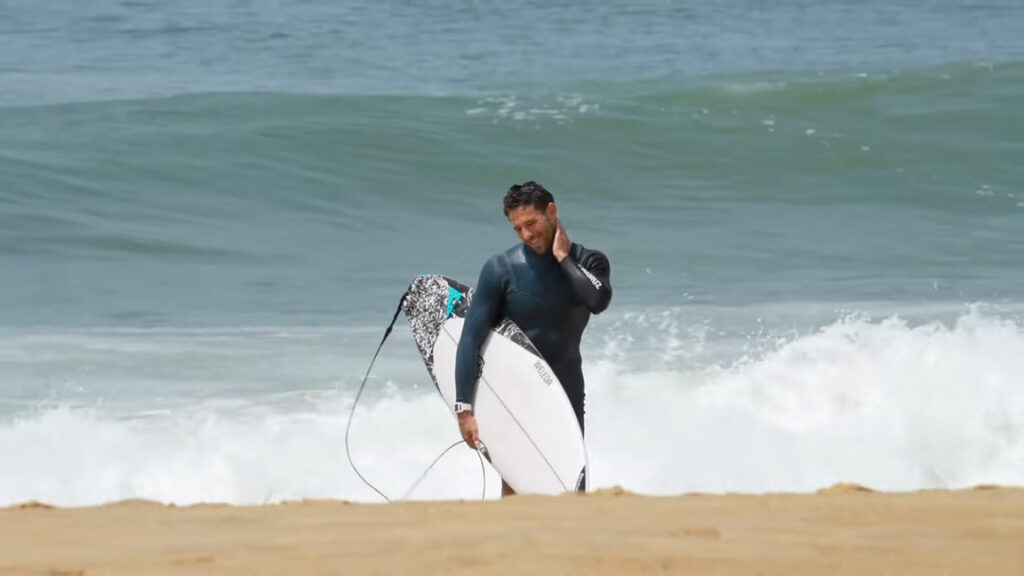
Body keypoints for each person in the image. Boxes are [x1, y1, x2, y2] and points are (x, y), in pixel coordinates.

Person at [453, 180, 613, 497]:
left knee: (571, 484)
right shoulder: (501, 269)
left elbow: (598, 301)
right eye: (518, 229)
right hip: (515, 393)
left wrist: (563, 258)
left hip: (566, 392)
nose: (526, 235)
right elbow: (471, 338)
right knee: (514, 484)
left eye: (531, 223)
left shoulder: (590, 262)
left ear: (551, 212)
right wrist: (465, 409)